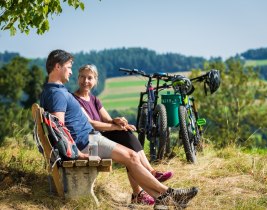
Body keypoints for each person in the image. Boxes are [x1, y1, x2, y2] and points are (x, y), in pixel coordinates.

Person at [40, 49, 198, 209]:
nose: (71, 71)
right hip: (86, 143)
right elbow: (58, 128)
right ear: (58, 67)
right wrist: (79, 154)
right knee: (131, 156)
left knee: (132, 155)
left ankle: (163, 196)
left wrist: (114, 123)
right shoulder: (56, 94)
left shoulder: (57, 91)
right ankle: (168, 195)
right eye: (69, 67)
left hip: (90, 139)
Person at [73, 64, 173, 205]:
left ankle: (145, 180)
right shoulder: (74, 100)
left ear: (95, 81)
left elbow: (107, 119)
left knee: (126, 133)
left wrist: (118, 121)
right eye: (82, 77)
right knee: (127, 147)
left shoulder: (94, 100)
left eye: (89, 78)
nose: (85, 81)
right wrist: (115, 127)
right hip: (91, 142)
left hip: (100, 137)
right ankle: (145, 182)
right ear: (78, 79)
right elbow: (92, 124)